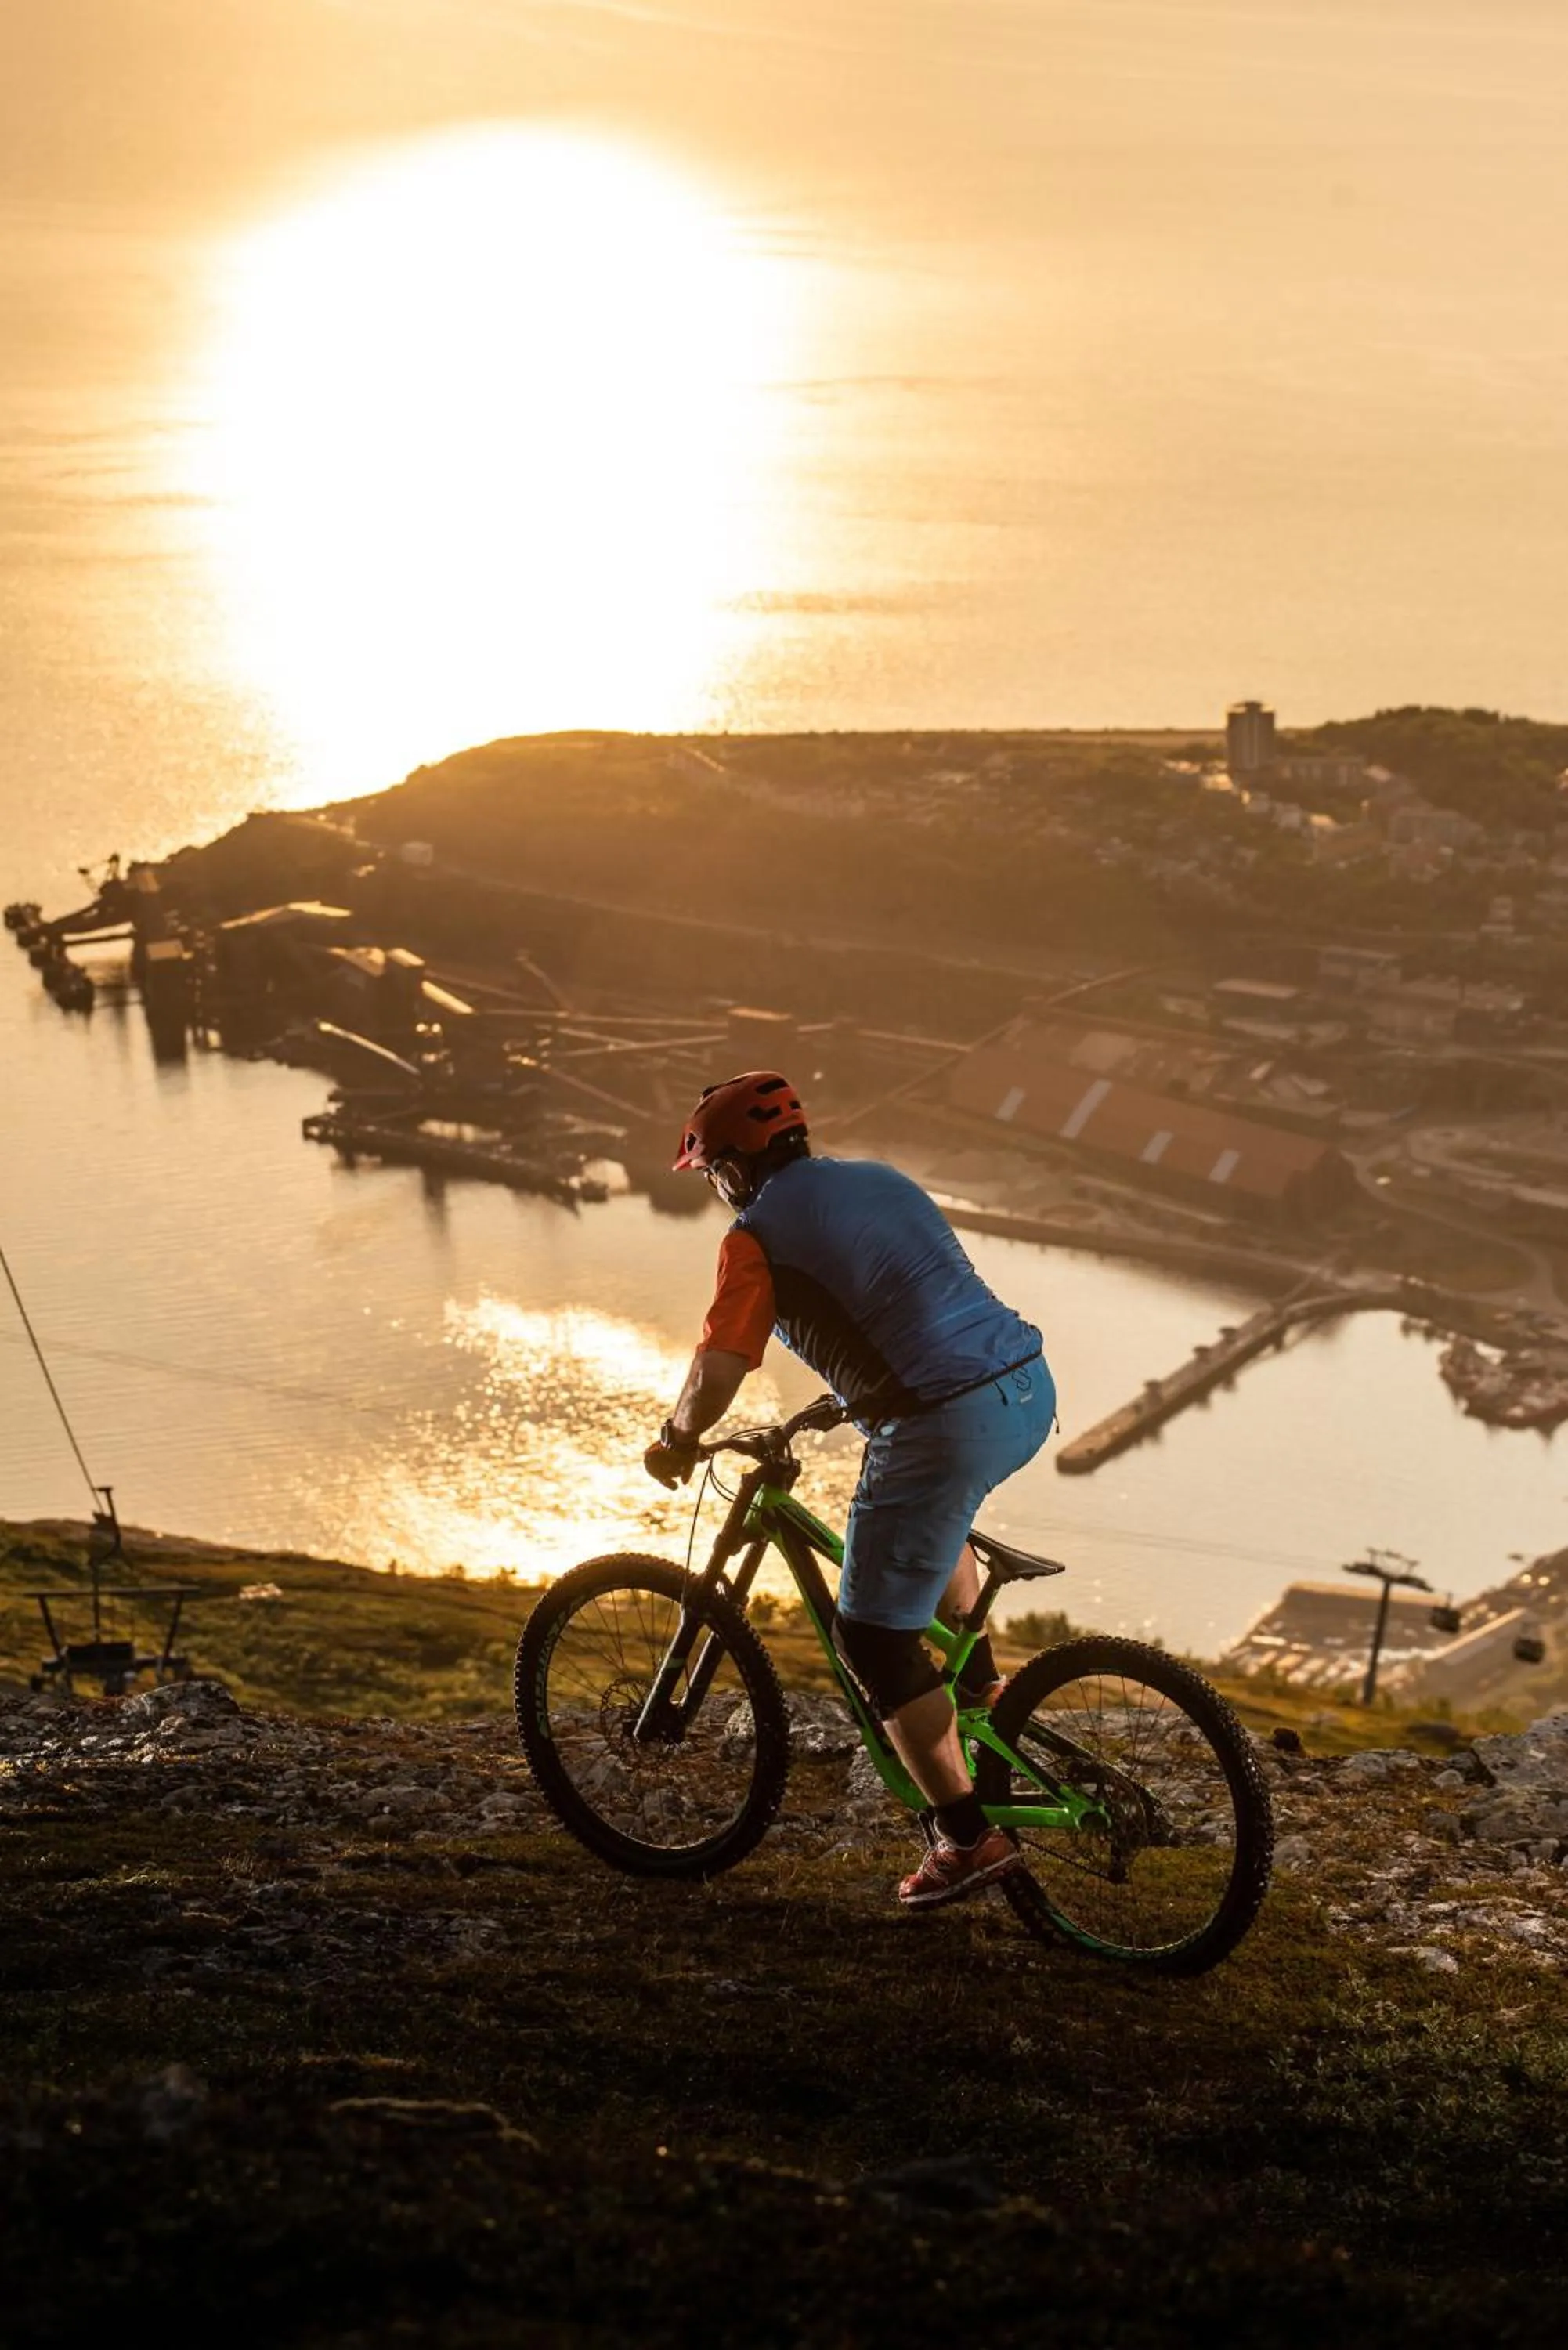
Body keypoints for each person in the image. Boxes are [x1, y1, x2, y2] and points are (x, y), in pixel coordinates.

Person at [644, 1069, 1056, 1909]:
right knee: (936, 1520)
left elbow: (722, 1361)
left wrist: (677, 1437)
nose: (718, 1191)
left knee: (869, 1638)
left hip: (941, 1421)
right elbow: (917, 1299)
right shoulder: (882, 1179)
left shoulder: (752, 1236)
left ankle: (966, 1839)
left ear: (732, 1166)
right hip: (1025, 1387)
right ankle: (982, 1691)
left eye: (715, 1172)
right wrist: (849, 1392)